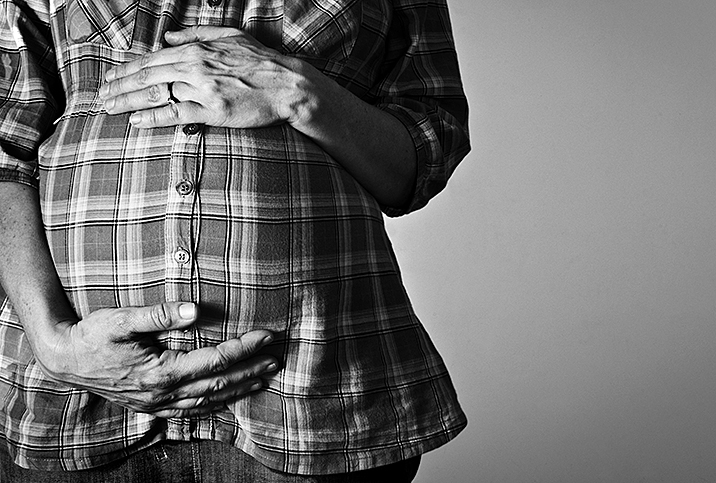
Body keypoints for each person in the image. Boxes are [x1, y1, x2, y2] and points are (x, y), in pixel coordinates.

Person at [0, 0, 470, 481]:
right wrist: (52, 342)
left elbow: (423, 161)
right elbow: (4, 152)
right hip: (78, 402)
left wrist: (299, 92)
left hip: (314, 396)